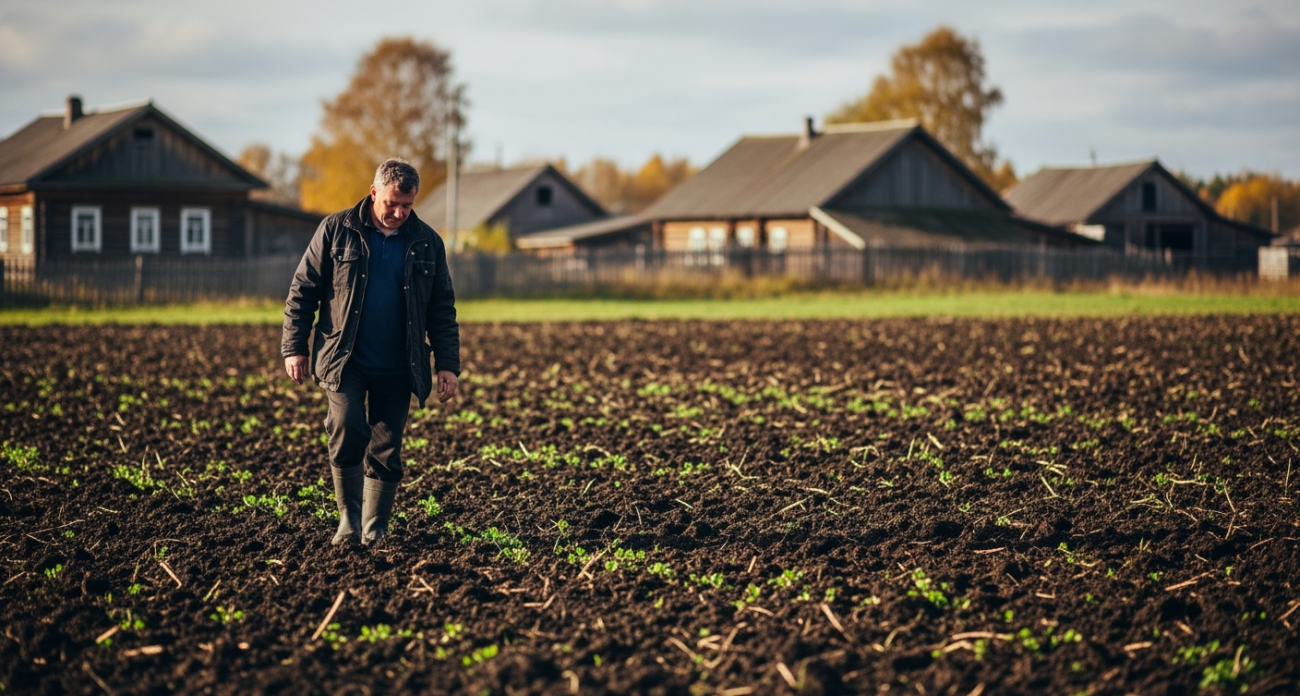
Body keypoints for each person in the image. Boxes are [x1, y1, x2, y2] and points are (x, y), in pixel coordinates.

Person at [281, 158, 459, 546]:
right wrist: (294, 347)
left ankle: (375, 527)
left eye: (407, 206)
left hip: (399, 364)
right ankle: (349, 519)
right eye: (392, 203)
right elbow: (303, 291)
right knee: (346, 428)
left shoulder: (428, 242)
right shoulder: (336, 230)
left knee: (387, 445)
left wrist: (447, 364)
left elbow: (441, 307)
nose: (399, 213)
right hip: (345, 359)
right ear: (373, 191)